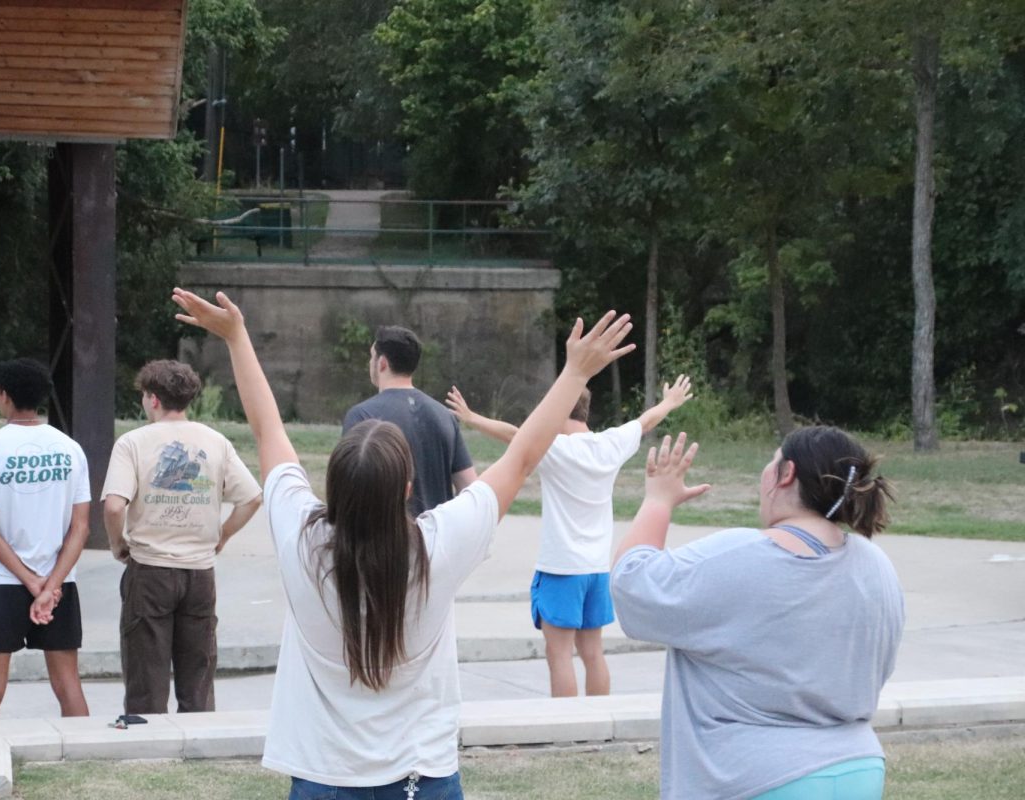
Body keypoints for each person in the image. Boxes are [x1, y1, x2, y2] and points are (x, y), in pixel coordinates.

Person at [172, 286, 633, 799]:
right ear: (409, 489)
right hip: (422, 779)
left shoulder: (302, 539)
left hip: (324, 779)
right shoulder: (438, 546)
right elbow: (522, 457)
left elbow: (267, 431)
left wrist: (237, 337)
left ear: (334, 484)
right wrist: (574, 374)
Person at [610, 427, 904, 800]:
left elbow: (631, 586)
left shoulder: (740, 556)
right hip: (859, 768)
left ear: (786, 474)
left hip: (758, 778)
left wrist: (657, 502)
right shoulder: (876, 565)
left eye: (771, 462)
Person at [445, 376, 693, 698]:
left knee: (559, 655)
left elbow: (516, 436)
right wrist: (669, 401)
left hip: (561, 569)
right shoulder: (611, 443)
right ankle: (598, 723)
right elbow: (645, 421)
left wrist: (471, 418)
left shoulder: (554, 447)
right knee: (593, 653)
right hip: (596, 570)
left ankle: (570, 728)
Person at [102, 359, 262, 714]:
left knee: (146, 675)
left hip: (150, 569)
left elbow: (114, 506)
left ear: (154, 399)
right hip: (201, 572)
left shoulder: (132, 443)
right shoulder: (215, 441)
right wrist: (223, 535)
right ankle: (200, 736)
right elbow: (251, 497)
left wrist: (118, 544)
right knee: (198, 673)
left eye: (144, 396)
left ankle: (147, 744)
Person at [0, 358, 91, 720]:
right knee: (68, 685)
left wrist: (31, 581)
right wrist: (50, 586)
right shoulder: (71, 449)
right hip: (60, 583)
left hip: (2, 582)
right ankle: (83, 762)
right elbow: (81, 528)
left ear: (4, 396)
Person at [342, 325, 476, 517]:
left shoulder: (361, 416)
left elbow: (349, 491)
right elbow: (470, 488)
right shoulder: (444, 415)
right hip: (434, 540)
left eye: (372, 357)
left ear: (382, 363)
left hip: (383, 540)